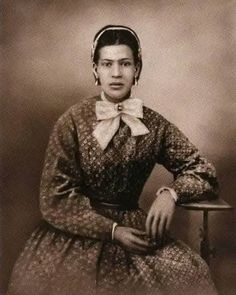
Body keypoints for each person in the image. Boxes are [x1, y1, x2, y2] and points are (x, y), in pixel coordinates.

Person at [7, 25, 219, 295]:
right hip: (75, 234)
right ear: (95, 69)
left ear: (137, 69)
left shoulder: (155, 125)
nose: (116, 73)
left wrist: (171, 194)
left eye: (125, 64)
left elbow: (203, 171)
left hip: (137, 231)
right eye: (107, 64)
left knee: (190, 273)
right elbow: (54, 198)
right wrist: (113, 231)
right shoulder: (72, 121)